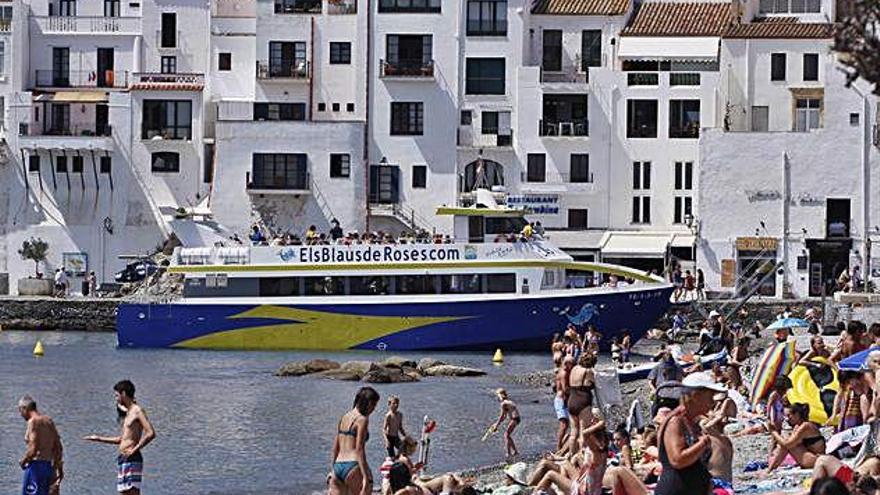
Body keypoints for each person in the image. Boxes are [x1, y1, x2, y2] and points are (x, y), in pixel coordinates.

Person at [654, 372, 723, 495]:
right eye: (710, 396)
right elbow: (677, 460)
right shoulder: (675, 422)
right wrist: (703, 443)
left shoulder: (689, 421)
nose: (713, 402)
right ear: (695, 396)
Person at [84, 380, 156, 495]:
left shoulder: (137, 411)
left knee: (132, 492)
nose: (116, 399)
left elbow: (151, 433)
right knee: (124, 492)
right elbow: (121, 439)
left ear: (123, 394)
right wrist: (98, 438)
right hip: (124, 459)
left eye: (117, 395)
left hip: (132, 458)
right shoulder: (129, 413)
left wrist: (134, 450)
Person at [328, 387, 380, 495]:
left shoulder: (344, 417)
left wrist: (332, 469)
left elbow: (335, 448)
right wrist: (366, 477)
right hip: (353, 465)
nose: (374, 409)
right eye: (374, 405)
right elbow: (359, 449)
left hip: (338, 466)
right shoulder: (362, 420)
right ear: (368, 403)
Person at [18, 396, 63, 495]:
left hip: (36, 468)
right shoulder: (48, 421)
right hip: (49, 467)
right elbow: (58, 447)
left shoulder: (33, 422)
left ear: (25, 408)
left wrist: (23, 461)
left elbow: (34, 449)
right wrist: (58, 469)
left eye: (20, 410)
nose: (20, 414)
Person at [767, 403, 825, 472]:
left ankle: (770, 469)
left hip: (816, 459)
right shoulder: (798, 426)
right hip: (811, 457)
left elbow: (787, 444)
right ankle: (770, 469)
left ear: (797, 414)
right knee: (786, 442)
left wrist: (774, 432)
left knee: (788, 444)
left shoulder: (806, 426)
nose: (788, 419)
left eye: (789, 415)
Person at [567, 353, 597, 452]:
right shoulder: (588, 371)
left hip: (572, 400)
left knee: (573, 432)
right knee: (583, 432)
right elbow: (594, 382)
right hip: (583, 401)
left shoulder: (574, 369)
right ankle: (581, 455)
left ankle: (572, 455)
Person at [490, 388, 520, 459]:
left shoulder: (504, 404)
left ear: (501, 395)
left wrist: (496, 426)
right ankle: (512, 452)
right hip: (516, 418)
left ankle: (510, 453)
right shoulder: (508, 402)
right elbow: (504, 417)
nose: (498, 397)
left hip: (514, 419)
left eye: (498, 395)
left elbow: (501, 416)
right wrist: (496, 424)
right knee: (507, 435)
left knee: (506, 435)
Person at [554, 356, 574, 451]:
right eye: (572, 364)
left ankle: (562, 444)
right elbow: (565, 388)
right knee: (564, 424)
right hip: (561, 400)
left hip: (562, 399)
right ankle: (558, 446)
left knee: (567, 424)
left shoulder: (563, 371)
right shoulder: (564, 373)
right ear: (567, 364)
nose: (573, 366)